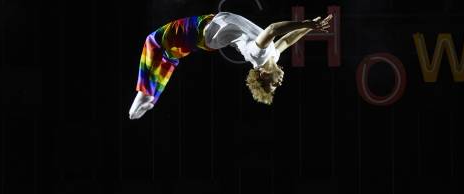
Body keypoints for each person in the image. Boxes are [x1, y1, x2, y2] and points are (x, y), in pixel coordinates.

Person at [128, 12, 333, 119]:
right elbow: (287, 40)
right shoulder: (273, 56)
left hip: (202, 30)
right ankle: (151, 97)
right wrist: (312, 27)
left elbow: (272, 29)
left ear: (262, 75)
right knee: (168, 54)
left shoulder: (258, 55)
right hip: (204, 32)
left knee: (152, 41)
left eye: (273, 85)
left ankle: (145, 94)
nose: (279, 83)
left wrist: (306, 23)